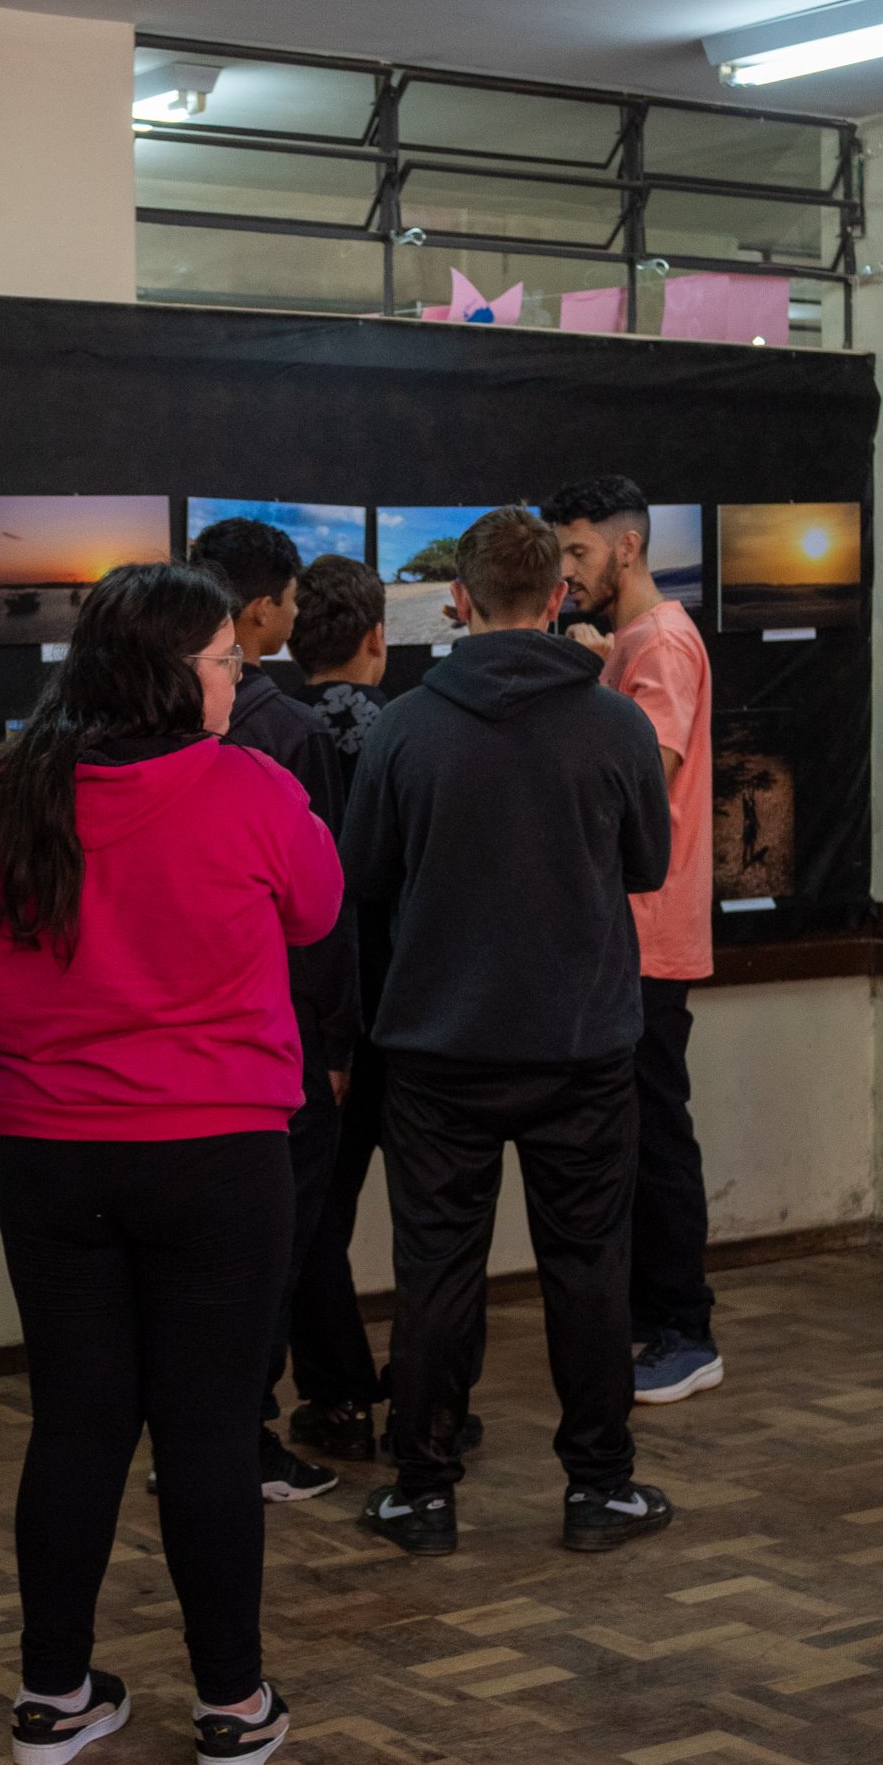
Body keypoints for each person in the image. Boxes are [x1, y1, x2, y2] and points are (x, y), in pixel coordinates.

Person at [0, 564, 342, 1765]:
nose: (236, 678)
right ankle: (233, 1706)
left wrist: (7, 1084)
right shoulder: (250, 787)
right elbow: (318, 910)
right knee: (208, 1431)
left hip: (54, 1160)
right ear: (170, 673)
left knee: (76, 1425)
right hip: (221, 1159)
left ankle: (52, 1696)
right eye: (224, 661)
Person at [340, 506, 674, 1556]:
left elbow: (364, 878)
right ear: (559, 596)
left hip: (438, 1047)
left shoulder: (404, 728)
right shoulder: (615, 725)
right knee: (589, 1267)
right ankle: (599, 1489)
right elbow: (648, 865)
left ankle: (424, 1493)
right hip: (582, 1042)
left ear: (460, 600)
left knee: (437, 1270)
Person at [189, 515, 360, 1499]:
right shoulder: (290, 732)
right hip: (277, 1033)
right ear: (258, 610)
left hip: (198, 1032)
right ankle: (240, 1439)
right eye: (290, 602)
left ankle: (213, 1432)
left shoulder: (142, 731)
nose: (297, 618)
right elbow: (323, 906)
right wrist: (337, 1037)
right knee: (270, 1245)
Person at [545, 475, 720, 1405]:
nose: (567, 572)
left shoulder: (662, 643)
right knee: (634, 1134)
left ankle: (687, 1328)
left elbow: (640, 779)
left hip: (652, 936)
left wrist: (578, 679)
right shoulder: (633, 642)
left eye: (578, 552)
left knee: (657, 1134)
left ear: (628, 546)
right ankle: (658, 1319)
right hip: (626, 935)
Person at [283, 554, 391, 1460]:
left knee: (317, 1212)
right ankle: (422, 1396)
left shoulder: (271, 734)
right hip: (407, 1000)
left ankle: (339, 1392)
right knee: (441, 1217)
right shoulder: (401, 731)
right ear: (376, 638)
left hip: (318, 1010)